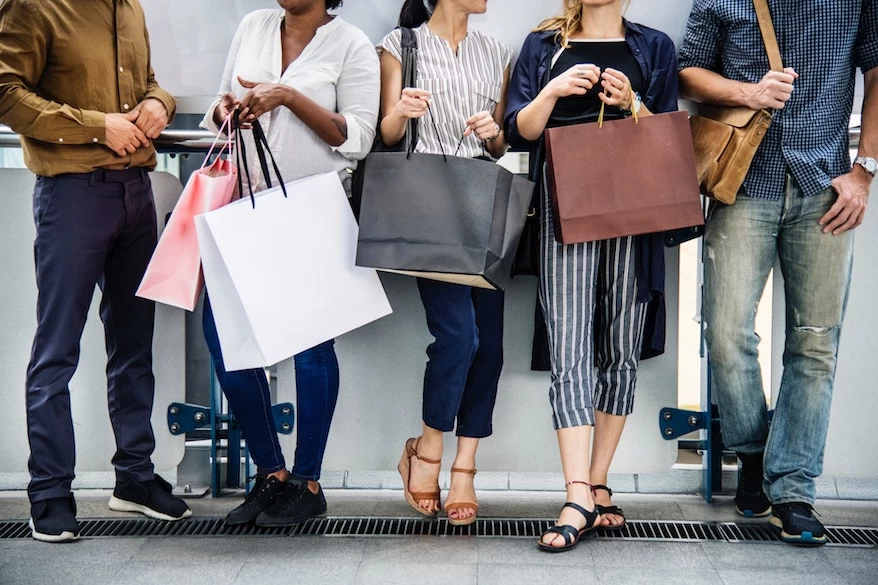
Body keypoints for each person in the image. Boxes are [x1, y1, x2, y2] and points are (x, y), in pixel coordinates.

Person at [678, 0, 877, 546]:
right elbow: (687, 70)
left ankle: (792, 489)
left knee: (815, 342)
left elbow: (877, 69)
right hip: (742, 181)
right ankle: (754, 454)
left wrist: (866, 171)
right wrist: (748, 92)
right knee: (725, 332)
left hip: (827, 183)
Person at [0, 0, 192, 542]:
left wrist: (159, 103)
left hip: (136, 196)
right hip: (71, 198)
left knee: (134, 344)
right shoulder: (34, 5)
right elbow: (5, 93)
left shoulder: (129, 7)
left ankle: (134, 478)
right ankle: (49, 493)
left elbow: (150, 83)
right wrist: (94, 127)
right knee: (56, 348)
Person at [505, 0, 677, 551]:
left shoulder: (653, 47)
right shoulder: (544, 44)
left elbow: (670, 135)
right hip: (566, 203)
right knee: (570, 345)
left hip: (634, 208)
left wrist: (633, 102)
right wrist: (553, 92)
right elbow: (517, 132)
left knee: (621, 345)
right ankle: (576, 492)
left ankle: (598, 482)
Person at [200, 0, 379, 526]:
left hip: (313, 210)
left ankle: (308, 481)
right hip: (243, 207)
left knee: (309, 349)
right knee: (225, 340)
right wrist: (227, 110)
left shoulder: (350, 44)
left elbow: (358, 138)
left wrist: (288, 97)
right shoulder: (254, 24)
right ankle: (270, 473)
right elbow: (217, 102)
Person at [378, 0, 512, 526]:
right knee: (460, 337)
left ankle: (465, 467)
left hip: (482, 202)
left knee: (491, 345)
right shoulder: (400, 45)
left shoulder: (497, 51)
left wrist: (490, 133)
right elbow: (388, 136)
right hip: (428, 206)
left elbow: (502, 145)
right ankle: (427, 445)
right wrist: (402, 112)